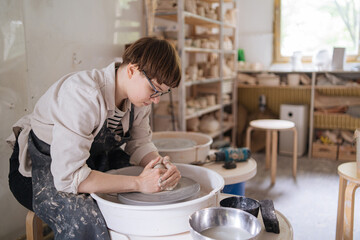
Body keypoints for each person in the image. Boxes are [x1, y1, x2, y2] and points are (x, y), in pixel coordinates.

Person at [7, 37, 182, 239]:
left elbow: (140, 143)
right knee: (85, 218)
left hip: (90, 158)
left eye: (162, 93)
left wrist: (160, 167)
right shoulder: (83, 95)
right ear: (133, 70)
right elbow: (69, 177)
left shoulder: (139, 100)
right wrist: (138, 183)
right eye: (154, 89)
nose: (156, 99)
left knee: (142, 194)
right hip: (41, 169)